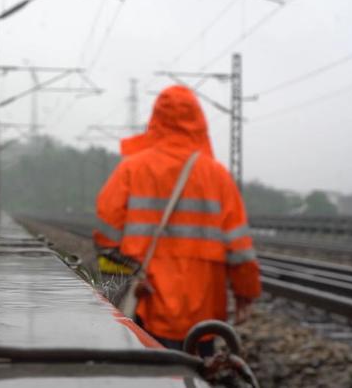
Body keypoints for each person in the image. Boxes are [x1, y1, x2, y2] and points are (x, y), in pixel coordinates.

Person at [93, 85, 261, 354]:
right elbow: (239, 248)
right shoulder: (217, 176)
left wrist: (119, 281)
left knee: (147, 376)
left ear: (155, 120)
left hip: (146, 302)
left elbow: (105, 236)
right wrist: (246, 293)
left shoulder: (131, 169)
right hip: (202, 309)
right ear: (199, 123)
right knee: (195, 374)